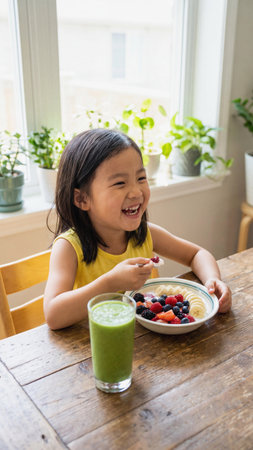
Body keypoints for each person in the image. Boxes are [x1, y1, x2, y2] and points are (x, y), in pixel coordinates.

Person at [44, 128, 232, 330]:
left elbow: (196, 254)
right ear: (82, 199)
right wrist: (110, 283)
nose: (136, 192)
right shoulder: (69, 247)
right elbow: (53, 315)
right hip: (95, 346)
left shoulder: (145, 234)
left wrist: (213, 280)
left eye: (141, 178)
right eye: (119, 183)